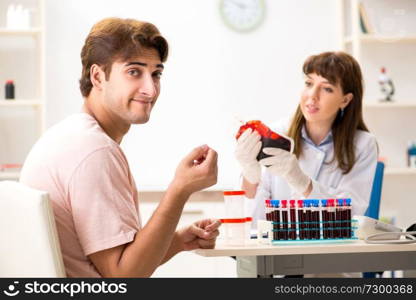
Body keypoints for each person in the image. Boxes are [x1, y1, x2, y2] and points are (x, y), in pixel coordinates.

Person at [20, 18, 220, 278]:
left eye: (156, 74)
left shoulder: (68, 134)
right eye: (134, 72)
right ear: (98, 76)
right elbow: (124, 278)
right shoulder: (94, 151)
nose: (150, 89)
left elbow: (122, 261)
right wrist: (180, 190)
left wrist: (178, 241)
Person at [235, 51, 378, 226]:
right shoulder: (277, 135)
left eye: (327, 88)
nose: (312, 95)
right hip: (277, 251)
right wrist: (250, 175)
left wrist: (303, 183)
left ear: (345, 100)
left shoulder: (363, 145)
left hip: (331, 251)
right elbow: (254, 225)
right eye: (309, 83)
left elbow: (349, 217)